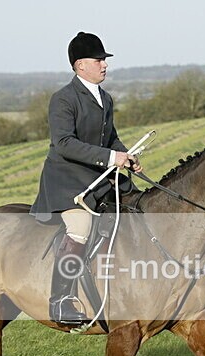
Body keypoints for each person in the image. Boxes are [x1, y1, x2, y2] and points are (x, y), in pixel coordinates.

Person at [30, 31, 142, 325]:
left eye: (104, 60)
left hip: (97, 176)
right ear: (80, 65)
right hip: (66, 180)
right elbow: (64, 143)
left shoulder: (105, 97)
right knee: (80, 226)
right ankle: (61, 300)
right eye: (98, 60)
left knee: (138, 206)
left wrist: (125, 155)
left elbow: (110, 138)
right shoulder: (63, 99)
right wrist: (109, 158)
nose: (104, 65)